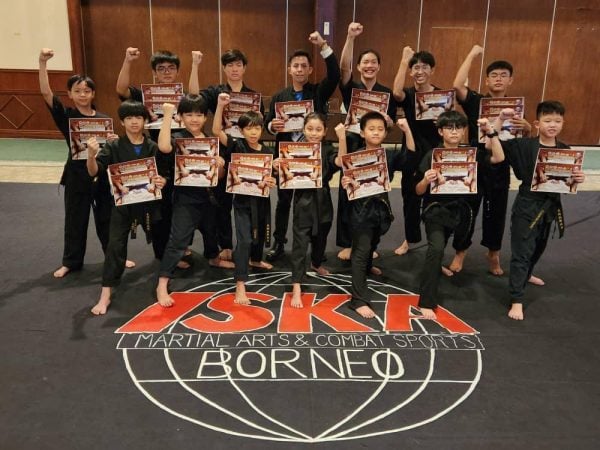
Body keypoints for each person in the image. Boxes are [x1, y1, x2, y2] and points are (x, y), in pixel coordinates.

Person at [38, 47, 125, 278]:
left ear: (93, 93)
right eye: (77, 91)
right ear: (70, 93)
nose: (83, 95)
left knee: (107, 218)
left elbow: (109, 152)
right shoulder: (66, 116)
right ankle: (71, 261)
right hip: (76, 175)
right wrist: (42, 63)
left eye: (87, 91)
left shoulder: (104, 119)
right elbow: (46, 93)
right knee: (75, 219)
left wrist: (112, 141)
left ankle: (114, 256)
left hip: (101, 174)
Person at [451, 44, 535, 279]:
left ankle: (493, 253)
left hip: (500, 165)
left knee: (496, 212)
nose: (498, 79)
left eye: (503, 75)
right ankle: (460, 251)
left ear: (510, 80)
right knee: (467, 210)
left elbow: (521, 142)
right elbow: (457, 85)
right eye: (494, 75)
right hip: (476, 162)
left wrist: (528, 128)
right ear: (487, 80)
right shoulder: (476, 101)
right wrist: (472, 54)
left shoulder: (516, 107)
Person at [498, 101, 585, 320]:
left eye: (557, 121)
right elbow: (494, 145)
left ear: (563, 123)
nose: (552, 125)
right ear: (537, 123)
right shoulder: (524, 145)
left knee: (538, 248)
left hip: (550, 207)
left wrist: (577, 179)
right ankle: (516, 299)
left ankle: (527, 274)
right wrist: (498, 121)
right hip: (527, 205)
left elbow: (566, 185)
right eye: (547, 120)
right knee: (522, 252)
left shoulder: (565, 150)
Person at [414, 111, 504, 320]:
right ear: (440, 131)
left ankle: (439, 266)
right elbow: (418, 191)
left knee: (454, 243)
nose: (454, 132)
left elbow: (499, 158)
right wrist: (426, 180)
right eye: (449, 127)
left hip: (463, 210)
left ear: (464, 131)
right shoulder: (432, 155)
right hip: (436, 209)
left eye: (458, 127)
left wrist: (491, 133)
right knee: (436, 248)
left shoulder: (472, 154)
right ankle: (426, 301)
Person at [265, 30, 341, 262]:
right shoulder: (279, 96)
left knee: (314, 201)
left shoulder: (318, 92)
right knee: (283, 202)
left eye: (303, 66)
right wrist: (272, 126)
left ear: (309, 70)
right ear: (289, 69)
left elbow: (335, 74)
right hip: (287, 156)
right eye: (295, 66)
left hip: (313, 157)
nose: (299, 69)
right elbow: (267, 122)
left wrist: (323, 45)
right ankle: (279, 242)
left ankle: (316, 247)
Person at [86, 100, 167, 315]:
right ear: (122, 122)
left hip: (149, 203)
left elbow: (164, 174)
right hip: (122, 205)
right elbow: (95, 171)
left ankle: (163, 284)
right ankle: (105, 294)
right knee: (115, 246)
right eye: (129, 118)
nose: (134, 122)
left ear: (145, 121)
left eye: (138, 117)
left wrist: (162, 181)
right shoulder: (113, 146)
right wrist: (91, 156)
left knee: (163, 245)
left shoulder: (153, 147)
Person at [155, 95, 233, 308]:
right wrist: (168, 115)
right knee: (178, 240)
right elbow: (163, 147)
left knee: (211, 231)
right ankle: (162, 282)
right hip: (186, 198)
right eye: (189, 114)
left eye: (199, 115)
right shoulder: (178, 138)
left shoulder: (210, 140)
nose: (194, 119)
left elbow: (220, 176)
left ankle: (213, 257)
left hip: (209, 196)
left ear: (205, 118)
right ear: (181, 117)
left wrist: (220, 165)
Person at [189, 49, 265, 261]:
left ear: (244, 68)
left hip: (246, 152)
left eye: (238, 64)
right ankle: (225, 245)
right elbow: (193, 98)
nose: (234, 69)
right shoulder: (216, 92)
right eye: (230, 65)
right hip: (223, 149)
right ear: (224, 68)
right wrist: (195, 65)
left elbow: (259, 125)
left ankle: (250, 247)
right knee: (221, 202)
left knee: (247, 201)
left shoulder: (253, 96)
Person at [340, 111, 415, 319]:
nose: (376, 132)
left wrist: (407, 131)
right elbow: (347, 182)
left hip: (381, 208)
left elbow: (409, 159)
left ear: (385, 133)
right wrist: (345, 182)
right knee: (361, 251)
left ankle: (368, 266)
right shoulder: (354, 157)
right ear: (362, 133)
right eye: (371, 129)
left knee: (373, 242)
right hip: (360, 211)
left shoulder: (388, 155)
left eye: (380, 129)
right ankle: (358, 300)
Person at [336, 22, 397, 261]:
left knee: (372, 194)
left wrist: (389, 122)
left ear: (379, 66)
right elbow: (343, 68)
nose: (369, 65)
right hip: (353, 144)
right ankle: (348, 243)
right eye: (365, 62)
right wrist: (350, 38)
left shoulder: (386, 93)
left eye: (373, 62)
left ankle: (369, 241)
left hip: (375, 151)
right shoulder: (352, 88)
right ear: (359, 66)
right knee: (348, 192)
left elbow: (390, 125)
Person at [116, 47, 183, 261]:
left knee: (179, 204)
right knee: (159, 205)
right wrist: (128, 60)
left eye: (171, 68)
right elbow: (121, 89)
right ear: (154, 72)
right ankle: (162, 253)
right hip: (155, 154)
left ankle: (179, 247)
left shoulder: (183, 97)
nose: (166, 72)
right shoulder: (144, 95)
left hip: (179, 153)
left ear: (177, 71)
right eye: (161, 68)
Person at [213, 93, 276, 305]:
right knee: (245, 240)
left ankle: (255, 260)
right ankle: (240, 284)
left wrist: (272, 180)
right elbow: (216, 131)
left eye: (257, 128)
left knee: (259, 236)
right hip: (241, 202)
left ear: (262, 129)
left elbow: (272, 177)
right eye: (248, 128)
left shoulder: (268, 151)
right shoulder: (236, 146)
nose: (253, 132)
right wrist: (220, 106)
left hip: (261, 201)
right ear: (241, 130)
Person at [281, 114, 343, 308]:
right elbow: (285, 173)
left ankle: (316, 263)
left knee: (321, 237)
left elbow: (340, 162)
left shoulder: (328, 148)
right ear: (303, 130)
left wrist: (342, 138)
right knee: (300, 244)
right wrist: (278, 165)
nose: (314, 133)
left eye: (318, 129)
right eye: (310, 129)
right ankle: (296, 285)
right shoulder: (294, 149)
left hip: (323, 199)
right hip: (303, 201)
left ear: (325, 131)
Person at [392, 48, 442, 256]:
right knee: (410, 196)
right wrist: (404, 60)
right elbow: (396, 93)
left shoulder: (441, 95)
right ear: (411, 71)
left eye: (424, 67)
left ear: (432, 70)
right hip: (412, 152)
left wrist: (442, 122)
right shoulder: (409, 94)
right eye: (416, 68)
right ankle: (409, 238)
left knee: (433, 196)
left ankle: (435, 240)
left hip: (435, 153)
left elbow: (451, 124)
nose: (420, 71)